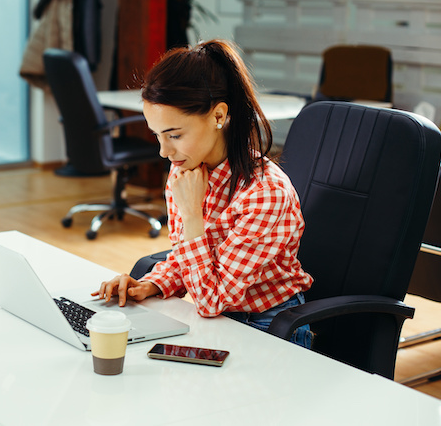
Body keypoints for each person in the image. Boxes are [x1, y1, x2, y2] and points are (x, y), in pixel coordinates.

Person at [92, 39, 314, 348]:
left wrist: (192, 214)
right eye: (157, 136)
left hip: (269, 326)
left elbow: (211, 299)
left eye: (175, 135)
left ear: (219, 117)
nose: (164, 151)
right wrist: (150, 285)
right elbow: (190, 258)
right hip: (215, 316)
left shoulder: (266, 194)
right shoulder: (186, 170)